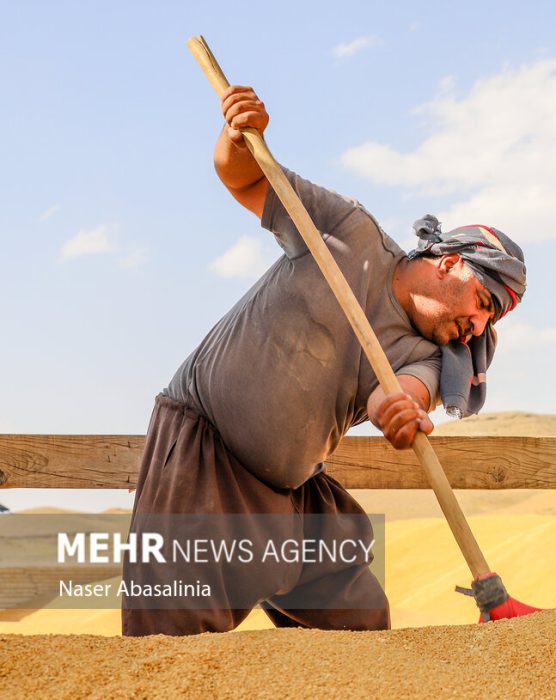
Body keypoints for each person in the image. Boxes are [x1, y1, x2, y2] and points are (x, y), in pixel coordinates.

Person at [121, 85, 526, 636]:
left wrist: (402, 413)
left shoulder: (431, 354)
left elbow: (402, 393)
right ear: (451, 264)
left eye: (489, 322)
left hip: (293, 493)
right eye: (483, 304)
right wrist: (237, 134)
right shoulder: (347, 231)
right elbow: (245, 178)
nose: (477, 328)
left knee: (356, 619)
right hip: (203, 457)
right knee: (171, 639)